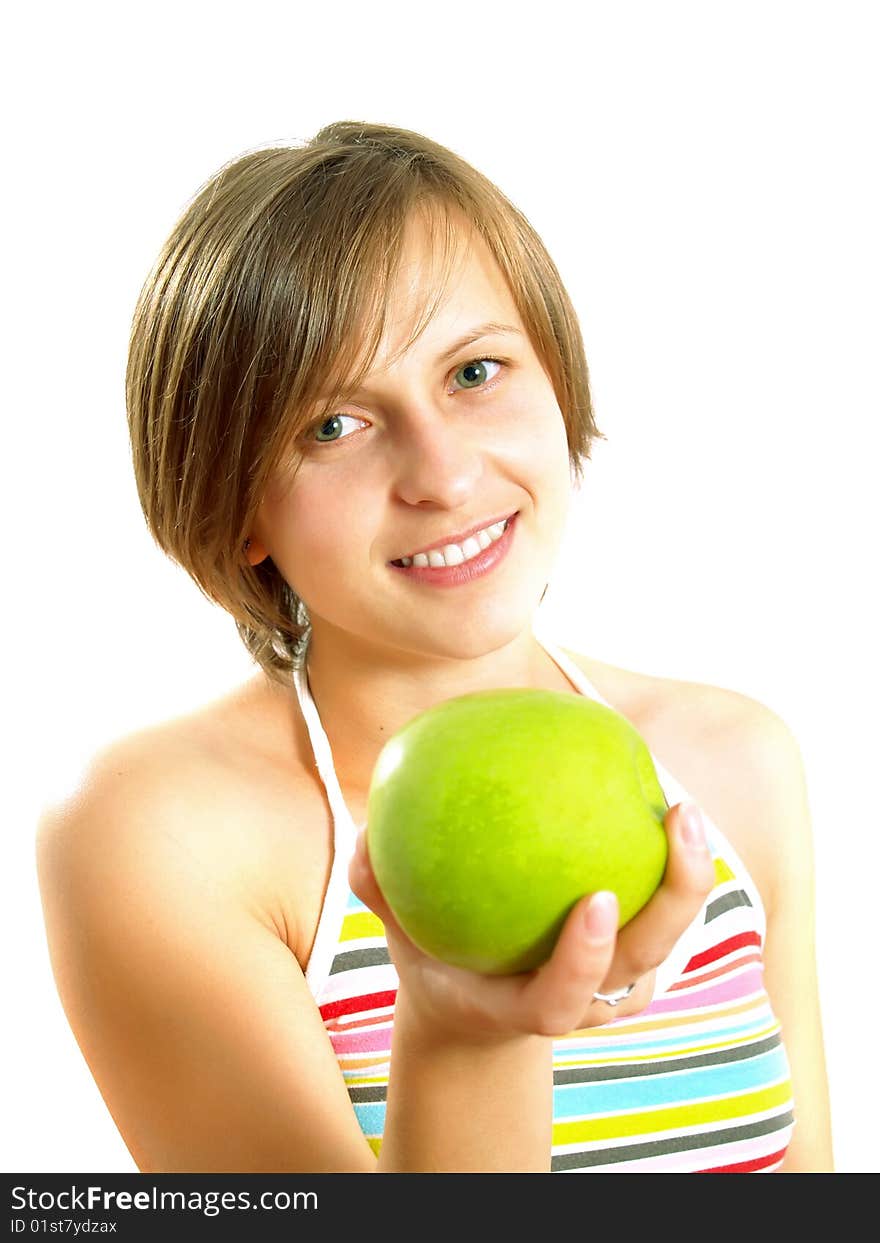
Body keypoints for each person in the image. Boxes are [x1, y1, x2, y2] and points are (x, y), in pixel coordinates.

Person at [35, 120, 833, 1173]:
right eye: (330, 425)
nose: (444, 476)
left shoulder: (734, 761)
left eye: (474, 371)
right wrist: (466, 1035)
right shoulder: (168, 834)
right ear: (237, 508)